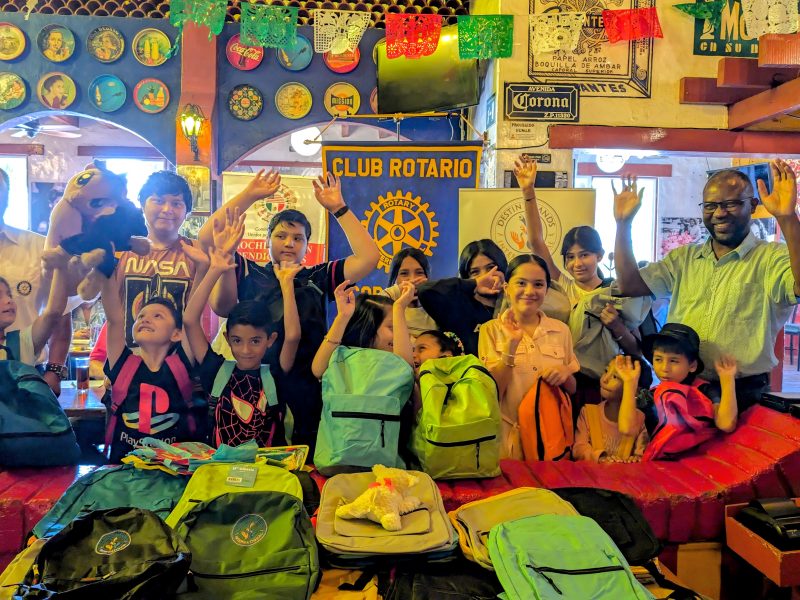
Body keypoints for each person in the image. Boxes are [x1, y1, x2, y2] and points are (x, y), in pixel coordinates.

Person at [199, 171, 379, 449]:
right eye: (281, 235)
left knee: (306, 460)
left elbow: (369, 258)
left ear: (307, 246)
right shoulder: (250, 272)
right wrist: (250, 194)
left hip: (307, 384)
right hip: (253, 384)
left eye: (298, 238)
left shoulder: (318, 277)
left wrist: (338, 209)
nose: (289, 243)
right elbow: (206, 238)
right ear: (267, 241)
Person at [613, 160, 800, 410]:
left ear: (753, 206)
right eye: (710, 206)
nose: (719, 213)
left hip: (744, 394)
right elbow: (630, 285)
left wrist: (788, 218)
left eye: (731, 204)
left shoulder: (770, 258)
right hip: (685, 390)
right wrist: (623, 225)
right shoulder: (684, 259)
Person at [515, 155, 649, 407]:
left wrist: (617, 327)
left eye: (585, 255)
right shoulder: (563, 287)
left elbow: (636, 350)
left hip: (607, 386)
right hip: (566, 380)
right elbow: (536, 243)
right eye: (570, 257)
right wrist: (528, 191)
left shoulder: (615, 292)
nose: (577, 263)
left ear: (599, 255)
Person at [184, 208, 300, 448]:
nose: (246, 349)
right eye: (237, 340)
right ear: (227, 339)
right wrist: (215, 269)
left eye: (255, 341)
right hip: (220, 471)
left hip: (267, 473)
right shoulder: (215, 371)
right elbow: (189, 321)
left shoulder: (275, 374)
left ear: (270, 339)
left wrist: (287, 285)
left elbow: (293, 336)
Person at [478, 255, 579, 460]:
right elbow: (492, 392)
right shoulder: (490, 330)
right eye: (521, 283)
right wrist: (511, 345)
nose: (530, 291)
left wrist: (564, 374)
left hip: (550, 444)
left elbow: (571, 389)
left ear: (547, 290)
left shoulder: (561, 330)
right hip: (508, 442)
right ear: (507, 288)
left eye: (538, 284)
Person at [101, 272, 198, 463]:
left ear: (177, 333)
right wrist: (107, 270)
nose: (145, 319)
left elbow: (191, 317)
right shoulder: (123, 365)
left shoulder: (181, 365)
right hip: (125, 472)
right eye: (140, 316)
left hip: (174, 471)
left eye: (157, 316)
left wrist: (203, 269)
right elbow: (114, 319)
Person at [418, 239, 570, 357]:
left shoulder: (519, 305)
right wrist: (475, 283)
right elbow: (425, 291)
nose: (486, 276)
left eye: (491, 268)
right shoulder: (458, 305)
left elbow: (560, 306)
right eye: (475, 272)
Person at [0, 167, 71, 394]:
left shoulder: (41, 248)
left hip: (28, 374)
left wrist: (55, 372)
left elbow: (60, 313)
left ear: (7, 196)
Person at [617, 324, 739, 443]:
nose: (665, 368)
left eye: (674, 361)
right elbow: (627, 429)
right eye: (658, 359)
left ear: (692, 365)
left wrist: (727, 378)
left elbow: (726, 424)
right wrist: (629, 383)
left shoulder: (704, 390)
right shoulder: (652, 395)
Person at [312, 281, 416, 379]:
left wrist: (399, 307)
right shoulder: (343, 358)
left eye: (401, 327)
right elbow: (318, 370)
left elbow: (405, 370)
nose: (401, 334)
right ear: (369, 327)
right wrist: (342, 316)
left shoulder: (395, 362)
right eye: (393, 327)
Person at [572, 357, 648, 463]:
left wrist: (636, 459)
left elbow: (643, 454)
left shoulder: (640, 419)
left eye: (615, 377)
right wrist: (600, 458)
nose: (605, 379)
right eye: (606, 371)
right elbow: (579, 449)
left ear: (635, 388)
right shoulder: (588, 413)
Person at [0, 251, 69, 365]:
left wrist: (60, 266)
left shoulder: (20, 344)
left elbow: (53, 312)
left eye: (9, 295)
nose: (9, 300)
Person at [379, 248, 437, 337]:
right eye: (404, 273)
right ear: (395, 278)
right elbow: (369, 308)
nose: (412, 279)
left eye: (419, 273)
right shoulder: (388, 306)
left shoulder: (436, 309)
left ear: (427, 276)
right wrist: (398, 290)